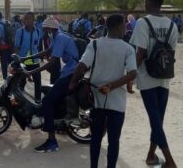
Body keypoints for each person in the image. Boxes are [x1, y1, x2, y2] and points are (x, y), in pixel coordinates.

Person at [69, 14, 137, 168]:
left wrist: (72, 83)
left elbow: (82, 66)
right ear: (119, 27)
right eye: (125, 26)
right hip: (117, 102)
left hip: (96, 100)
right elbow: (133, 73)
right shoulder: (127, 48)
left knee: (96, 138)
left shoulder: (95, 44)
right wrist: (112, 86)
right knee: (114, 141)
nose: (125, 29)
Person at [129, 0, 178, 168]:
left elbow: (140, 53)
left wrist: (130, 77)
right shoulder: (172, 25)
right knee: (158, 120)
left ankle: (170, 161)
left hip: (147, 77)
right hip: (164, 77)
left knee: (155, 120)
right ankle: (151, 154)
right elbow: (171, 52)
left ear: (149, 2)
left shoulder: (142, 23)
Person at [26, 17, 79, 153]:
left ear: (50, 29)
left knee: (47, 101)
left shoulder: (60, 38)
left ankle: (51, 141)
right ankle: (57, 125)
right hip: (68, 72)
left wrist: (31, 71)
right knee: (52, 97)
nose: (44, 32)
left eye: (45, 30)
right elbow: (47, 52)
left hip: (71, 74)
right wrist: (25, 59)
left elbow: (53, 61)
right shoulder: (57, 37)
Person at [14, 12, 42, 103]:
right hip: (23, 61)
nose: (26, 20)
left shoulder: (38, 31)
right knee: (21, 82)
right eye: (25, 19)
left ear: (33, 20)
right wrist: (18, 61)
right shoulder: (20, 32)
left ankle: (38, 100)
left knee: (37, 81)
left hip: (34, 61)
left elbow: (38, 45)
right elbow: (16, 47)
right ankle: (19, 101)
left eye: (29, 18)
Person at [0, 11, 13, 80]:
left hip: (3, 47)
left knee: (4, 64)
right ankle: (13, 77)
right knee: (11, 63)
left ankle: (5, 78)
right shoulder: (7, 22)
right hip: (10, 46)